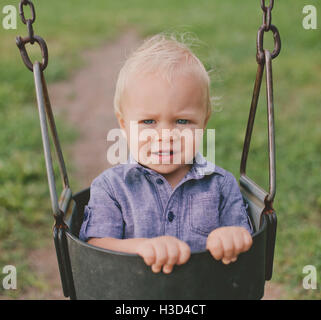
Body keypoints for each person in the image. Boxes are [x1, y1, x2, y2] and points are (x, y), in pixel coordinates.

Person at [79, 33, 253, 274]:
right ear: (123, 125)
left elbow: (244, 235)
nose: (165, 135)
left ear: (204, 122)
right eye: (149, 121)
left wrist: (231, 237)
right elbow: (96, 245)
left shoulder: (221, 185)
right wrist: (142, 247)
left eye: (182, 121)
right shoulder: (111, 187)